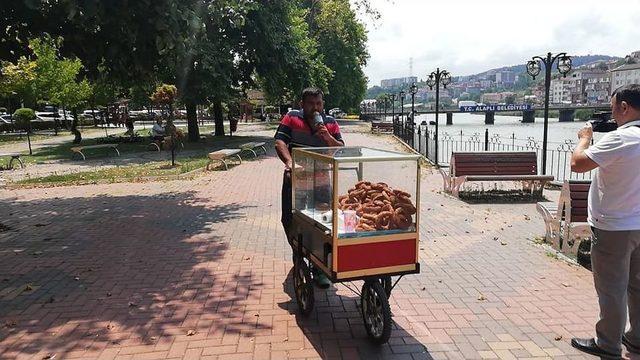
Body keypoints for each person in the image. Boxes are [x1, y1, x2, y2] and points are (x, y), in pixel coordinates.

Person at [570, 84, 640, 359]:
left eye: (613, 109)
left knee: (612, 287)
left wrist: (586, 138)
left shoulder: (622, 139)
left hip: (614, 226)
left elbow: (578, 163)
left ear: (624, 107)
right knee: (637, 286)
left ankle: (607, 344)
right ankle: (636, 340)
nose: (612, 116)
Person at [274, 87, 344, 289]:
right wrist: (289, 162)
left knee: (322, 223)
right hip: (295, 181)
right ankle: (299, 255)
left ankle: (319, 268)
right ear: (302, 104)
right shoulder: (292, 117)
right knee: (290, 219)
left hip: (322, 183)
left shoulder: (329, 122)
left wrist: (328, 138)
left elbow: (340, 149)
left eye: (319, 104)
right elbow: (280, 141)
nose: (316, 108)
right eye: (311, 104)